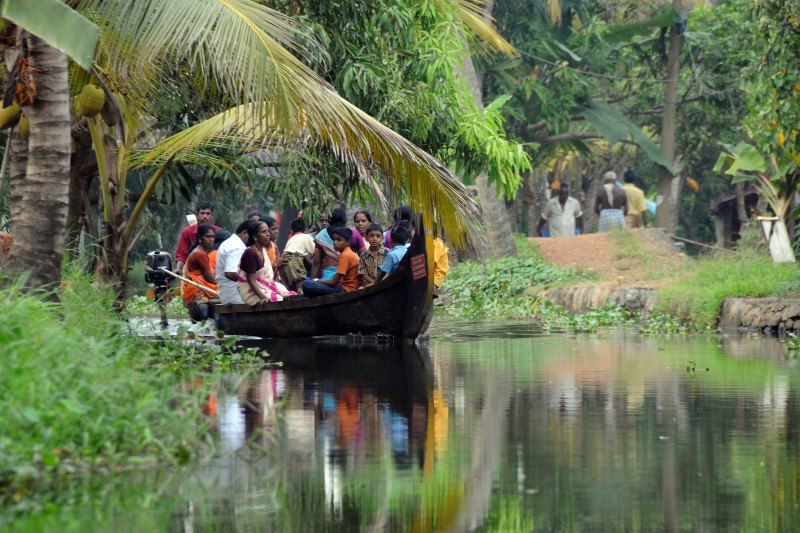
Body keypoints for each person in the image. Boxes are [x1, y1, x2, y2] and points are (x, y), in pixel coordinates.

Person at [237, 221, 295, 305]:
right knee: (281, 300)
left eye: (268, 231)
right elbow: (251, 279)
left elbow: (265, 273)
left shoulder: (262, 250)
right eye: (264, 232)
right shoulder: (250, 253)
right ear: (255, 236)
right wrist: (264, 297)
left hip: (263, 285)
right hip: (250, 290)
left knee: (290, 296)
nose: (268, 234)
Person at [302, 226, 361, 297]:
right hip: (343, 286)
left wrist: (317, 280)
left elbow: (334, 282)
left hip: (347, 289)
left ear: (348, 242)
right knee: (308, 286)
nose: (335, 242)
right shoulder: (346, 253)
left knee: (306, 284)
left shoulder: (346, 255)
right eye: (334, 239)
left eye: (339, 240)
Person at [312, 208, 365, 281]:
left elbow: (317, 262)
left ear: (329, 219)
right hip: (350, 277)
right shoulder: (354, 234)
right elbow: (364, 257)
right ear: (345, 220)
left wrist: (313, 281)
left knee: (307, 284)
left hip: (329, 278)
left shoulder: (321, 235)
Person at [215, 220, 254, 305]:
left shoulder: (232, 242)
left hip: (230, 293)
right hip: (236, 296)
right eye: (253, 237)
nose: (254, 240)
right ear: (244, 233)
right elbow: (231, 273)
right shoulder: (236, 247)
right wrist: (253, 281)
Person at [174, 202, 221, 273]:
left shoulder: (219, 232)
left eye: (208, 214)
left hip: (215, 271)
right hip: (193, 271)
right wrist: (178, 269)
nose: (205, 216)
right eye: (202, 213)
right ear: (197, 214)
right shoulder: (187, 232)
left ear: (211, 216)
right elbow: (181, 255)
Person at [181, 224, 218, 307]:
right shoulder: (200, 254)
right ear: (199, 238)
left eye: (213, 237)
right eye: (208, 237)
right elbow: (210, 278)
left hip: (193, 289)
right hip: (197, 290)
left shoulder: (199, 251)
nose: (211, 240)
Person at [279, 218, 315, 293]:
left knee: (291, 286)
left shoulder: (291, 239)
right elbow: (314, 250)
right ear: (304, 229)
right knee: (300, 284)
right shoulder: (307, 237)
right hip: (294, 259)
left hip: (284, 260)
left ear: (291, 230)